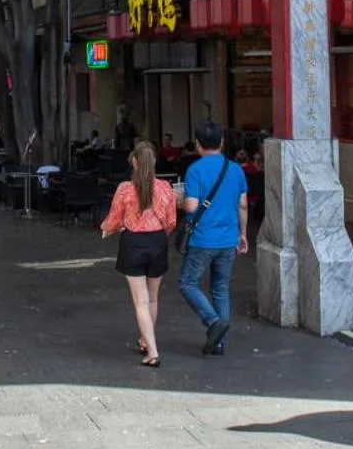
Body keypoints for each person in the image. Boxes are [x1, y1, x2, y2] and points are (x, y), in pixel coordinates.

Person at [100, 141, 177, 367]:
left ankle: (152, 351)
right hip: (158, 242)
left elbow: (113, 220)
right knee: (152, 298)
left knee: (140, 301)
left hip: (133, 243)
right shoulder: (165, 188)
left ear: (133, 161)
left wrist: (106, 229)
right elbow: (172, 221)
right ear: (153, 161)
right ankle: (145, 339)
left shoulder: (125, 189)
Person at [178, 120, 249, 357]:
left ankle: (212, 322)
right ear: (221, 142)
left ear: (198, 145)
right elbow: (243, 204)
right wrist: (243, 234)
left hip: (202, 239)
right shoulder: (235, 169)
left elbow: (191, 206)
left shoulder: (195, 170)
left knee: (188, 283)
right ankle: (219, 343)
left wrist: (178, 198)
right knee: (220, 288)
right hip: (228, 238)